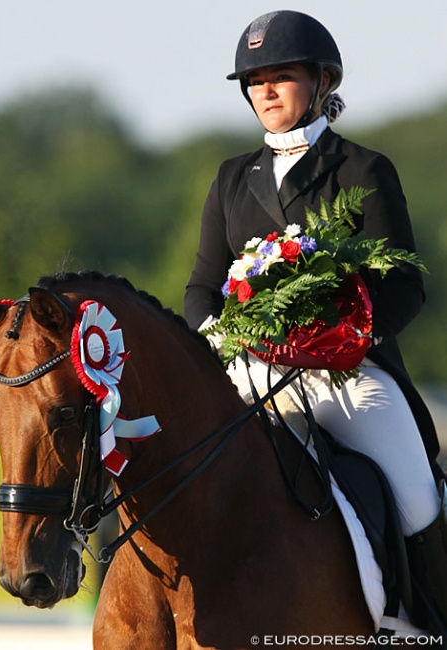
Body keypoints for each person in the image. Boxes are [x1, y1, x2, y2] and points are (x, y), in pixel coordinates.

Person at [184, 9, 447, 629]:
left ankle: (430, 625)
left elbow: (406, 285)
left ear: (323, 81)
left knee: (416, 501)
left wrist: (351, 336)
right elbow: (201, 287)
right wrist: (225, 336)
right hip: (251, 375)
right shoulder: (230, 179)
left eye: (280, 75)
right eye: (254, 81)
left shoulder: (363, 170)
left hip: (347, 378)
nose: (265, 91)